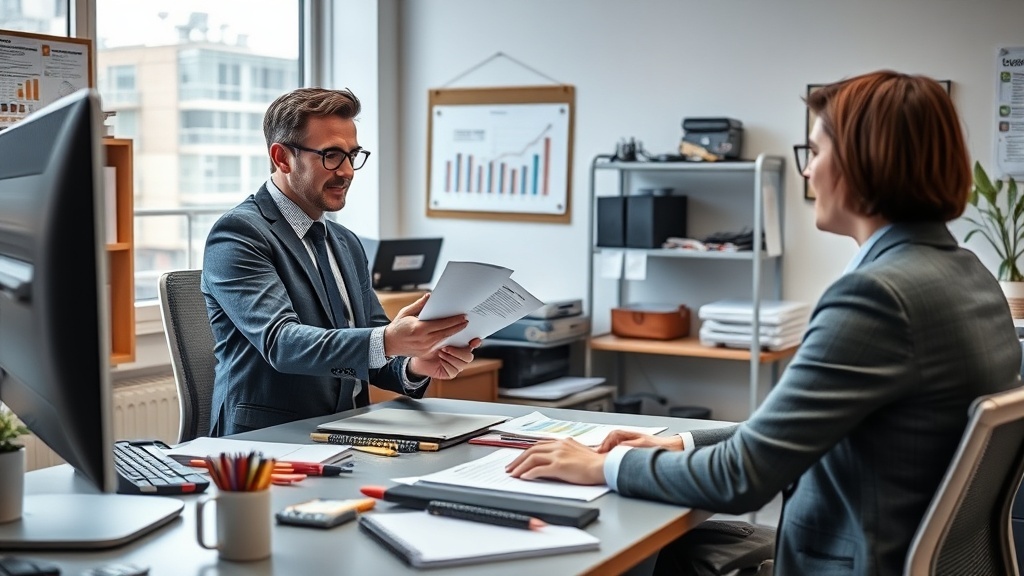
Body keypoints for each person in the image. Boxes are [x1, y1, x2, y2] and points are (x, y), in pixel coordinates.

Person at [507, 70, 1023, 575]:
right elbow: (794, 430)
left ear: (864, 163)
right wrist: (678, 442)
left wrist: (602, 465)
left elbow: (743, 478)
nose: (807, 171)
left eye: (815, 153)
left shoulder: (878, 297)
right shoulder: (967, 276)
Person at [202, 87, 479, 436]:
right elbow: (282, 343)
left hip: (348, 434)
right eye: (332, 155)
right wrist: (389, 340)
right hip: (267, 441)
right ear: (282, 158)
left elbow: (372, 357)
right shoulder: (239, 234)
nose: (347, 171)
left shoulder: (346, 243)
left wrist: (415, 363)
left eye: (352, 155)